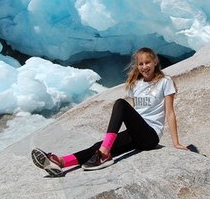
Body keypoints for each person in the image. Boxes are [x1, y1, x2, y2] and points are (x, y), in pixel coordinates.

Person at [31, 47, 187, 176]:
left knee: (120, 104)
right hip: (136, 134)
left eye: (147, 62)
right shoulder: (136, 85)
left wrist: (176, 143)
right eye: (141, 64)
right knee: (98, 146)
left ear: (155, 62)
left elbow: (170, 113)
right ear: (137, 66)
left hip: (150, 135)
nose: (144, 67)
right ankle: (60, 162)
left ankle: (104, 154)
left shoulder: (164, 82)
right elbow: (136, 114)